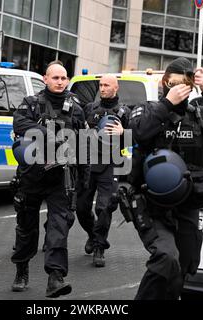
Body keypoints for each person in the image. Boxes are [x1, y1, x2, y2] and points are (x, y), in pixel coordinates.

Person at [127, 57, 203, 299]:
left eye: (185, 84)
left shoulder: (197, 116)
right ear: (165, 83)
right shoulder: (147, 109)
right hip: (152, 204)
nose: (179, 88)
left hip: (187, 203)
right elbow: (138, 132)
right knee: (166, 257)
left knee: (186, 264)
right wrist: (167, 104)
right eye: (174, 83)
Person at [10, 60, 88, 298]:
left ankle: (55, 278)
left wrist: (84, 179)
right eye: (55, 78)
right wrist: (49, 135)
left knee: (58, 228)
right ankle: (21, 269)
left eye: (64, 78)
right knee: (27, 228)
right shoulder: (32, 104)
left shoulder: (75, 107)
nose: (60, 82)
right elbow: (19, 123)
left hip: (60, 178)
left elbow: (84, 143)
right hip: (32, 176)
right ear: (45, 79)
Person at [76, 74, 131, 267]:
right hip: (88, 162)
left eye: (107, 85)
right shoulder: (90, 109)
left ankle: (99, 248)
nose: (102, 88)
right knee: (81, 207)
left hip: (111, 164)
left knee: (104, 207)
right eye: (100, 85)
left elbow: (133, 139)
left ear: (116, 88)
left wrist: (123, 133)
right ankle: (93, 234)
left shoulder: (124, 112)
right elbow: (79, 134)